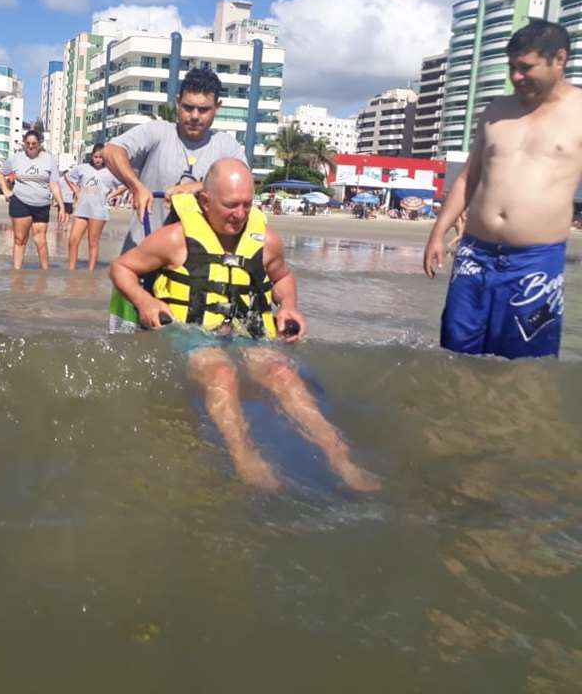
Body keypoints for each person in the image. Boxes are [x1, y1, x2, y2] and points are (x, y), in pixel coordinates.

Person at [110, 159, 380, 493]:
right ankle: (243, 455)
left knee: (284, 375)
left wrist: (289, 307)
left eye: (247, 205)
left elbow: (282, 277)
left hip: (246, 332)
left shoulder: (265, 240)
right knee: (221, 372)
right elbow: (122, 268)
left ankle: (341, 459)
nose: (239, 214)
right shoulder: (174, 239)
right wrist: (145, 302)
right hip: (192, 334)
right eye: (230, 205)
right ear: (205, 201)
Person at [423, 21, 582, 359]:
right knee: (455, 352)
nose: (516, 77)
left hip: (535, 261)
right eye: (511, 67)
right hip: (474, 254)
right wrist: (437, 233)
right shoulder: (495, 112)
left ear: (559, 59)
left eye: (526, 67)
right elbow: (468, 178)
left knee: (527, 363)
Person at [103, 68, 251, 329]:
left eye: (203, 109)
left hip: (196, 275)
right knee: (124, 344)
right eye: (187, 107)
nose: (194, 116)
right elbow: (111, 151)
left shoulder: (228, 146)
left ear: (217, 107)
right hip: (140, 266)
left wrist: (199, 187)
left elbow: (246, 188)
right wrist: (136, 186)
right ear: (177, 103)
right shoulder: (157, 132)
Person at [0, 129, 67, 269]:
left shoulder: (49, 159)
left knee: (41, 240)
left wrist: (62, 207)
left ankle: (45, 273)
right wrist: (6, 190)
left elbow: (54, 184)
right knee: (20, 239)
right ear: (24, 143)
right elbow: (0, 173)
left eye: (34, 143)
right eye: (27, 143)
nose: (30, 146)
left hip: (42, 204)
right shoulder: (16, 158)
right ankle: (17, 274)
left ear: (39, 144)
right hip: (20, 202)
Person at [65, 143, 123, 271]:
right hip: (82, 209)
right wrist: (76, 190)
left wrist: (111, 195)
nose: (98, 160)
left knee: (93, 242)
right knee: (73, 240)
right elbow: (68, 177)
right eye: (96, 157)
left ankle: (91, 271)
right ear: (92, 156)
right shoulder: (82, 168)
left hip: (98, 211)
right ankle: (71, 270)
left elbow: (124, 185)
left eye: (101, 157)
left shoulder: (111, 171)